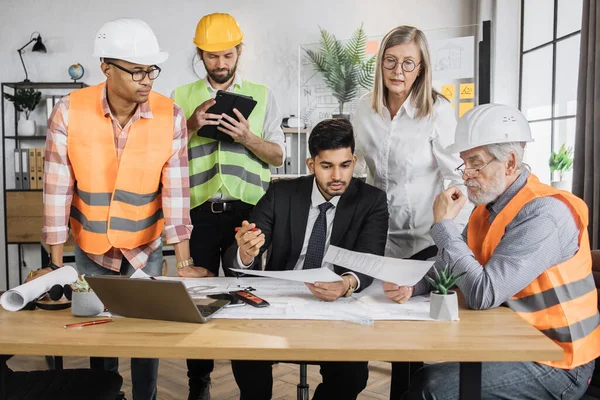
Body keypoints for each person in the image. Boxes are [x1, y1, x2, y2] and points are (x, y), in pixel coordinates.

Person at [395, 104, 598, 400]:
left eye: (476, 163)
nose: (466, 175)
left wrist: (444, 225)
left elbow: (482, 294)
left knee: (433, 387)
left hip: (558, 360)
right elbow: (452, 269)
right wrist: (413, 285)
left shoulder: (546, 214)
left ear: (510, 162)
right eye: (464, 163)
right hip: (512, 340)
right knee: (421, 375)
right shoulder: (486, 209)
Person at [40, 18, 195, 400]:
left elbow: (176, 194)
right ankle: (105, 394)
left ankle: (147, 397)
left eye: (152, 70)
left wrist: (185, 261)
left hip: (147, 244)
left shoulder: (171, 115)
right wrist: (57, 262)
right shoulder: (68, 111)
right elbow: (57, 189)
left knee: (148, 335)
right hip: (91, 244)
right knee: (100, 334)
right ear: (106, 67)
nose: (147, 80)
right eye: (137, 70)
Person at [224, 118, 389, 400]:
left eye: (345, 165)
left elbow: (369, 258)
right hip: (281, 298)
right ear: (311, 164)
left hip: (339, 302)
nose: (337, 175)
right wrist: (246, 252)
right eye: (327, 166)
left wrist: (346, 283)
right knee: (246, 354)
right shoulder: (281, 193)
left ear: (354, 161)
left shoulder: (371, 200)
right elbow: (242, 250)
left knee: (352, 375)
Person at [171, 12, 286, 400]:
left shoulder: (263, 94)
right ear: (200, 55)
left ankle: (255, 388)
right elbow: (162, 156)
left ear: (239, 51)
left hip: (248, 214)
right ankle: (198, 383)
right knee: (197, 300)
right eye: (211, 56)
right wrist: (189, 125)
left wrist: (249, 138)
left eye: (227, 55)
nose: (220, 64)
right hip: (199, 215)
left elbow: (278, 157)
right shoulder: (180, 97)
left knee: (246, 298)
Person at [353, 25, 469, 396]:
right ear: (380, 64)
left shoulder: (437, 111)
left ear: (421, 68)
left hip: (422, 238)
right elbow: (356, 171)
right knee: (370, 325)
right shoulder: (362, 109)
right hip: (376, 237)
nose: (397, 71)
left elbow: (458, 179)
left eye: (407, 63)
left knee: (412, 339)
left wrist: (450, 234)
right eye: (390, 61)